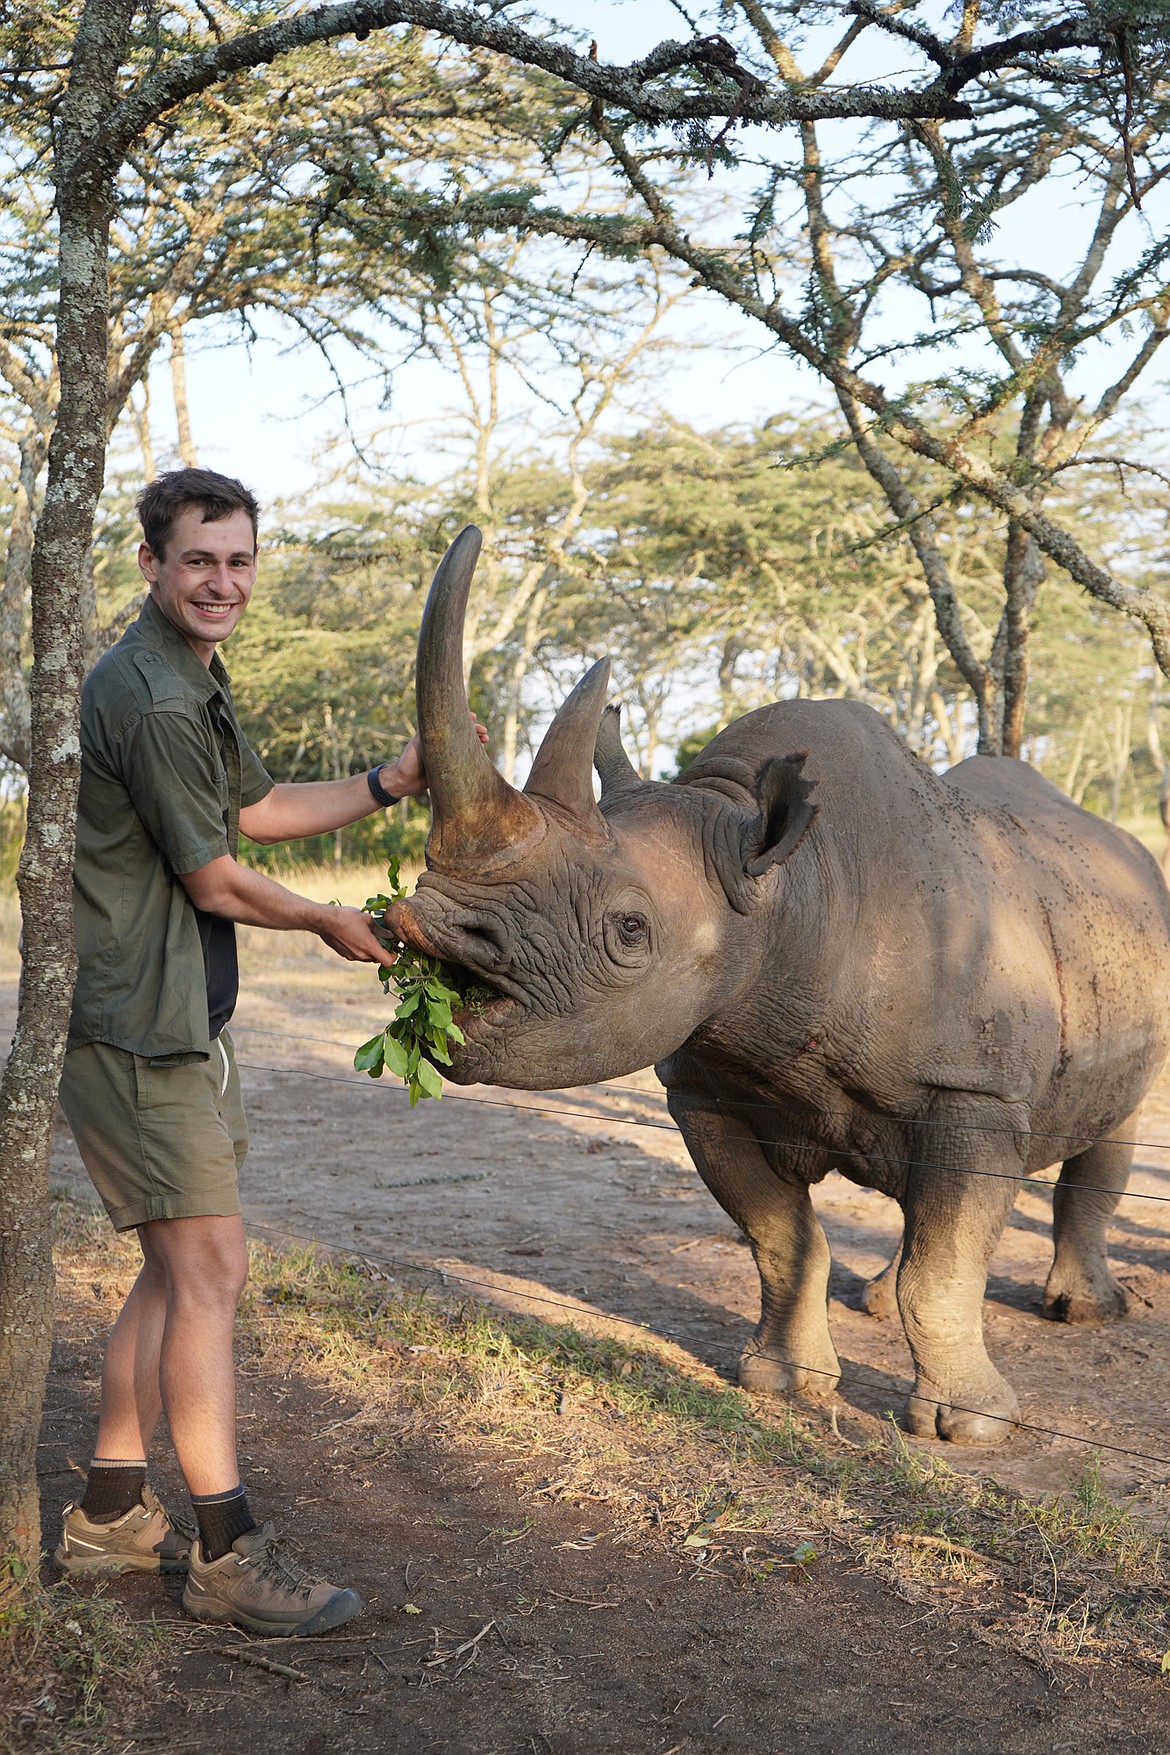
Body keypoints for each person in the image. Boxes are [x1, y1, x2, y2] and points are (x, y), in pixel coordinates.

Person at [53, 467, 475, 1636]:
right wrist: (332, 922)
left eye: (239, 561)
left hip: (185, 1021)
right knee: (209, 1274)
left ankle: (107, 1519)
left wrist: (392, 782)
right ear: (150, 565)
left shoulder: (192, 674)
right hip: (140, 1033)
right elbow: (215, 876)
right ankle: (228, 1553)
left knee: (174, 1270)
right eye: (199, 560)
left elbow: (256, 809)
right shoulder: (143, 693)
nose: (222, 582)